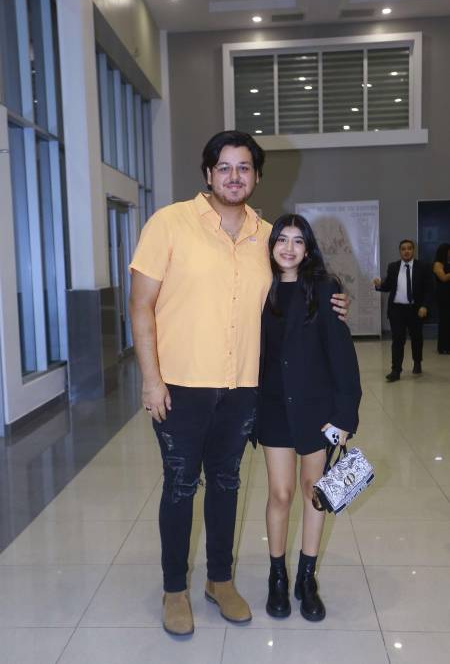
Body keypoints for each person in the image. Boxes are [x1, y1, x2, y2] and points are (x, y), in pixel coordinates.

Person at [128, 130, 349, 636]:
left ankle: (220, 580)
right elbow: (140, 305)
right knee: (180, 485)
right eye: (224, 167)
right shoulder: (169, 223)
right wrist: (150, 379)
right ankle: (174, 588)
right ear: (208, 173)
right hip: (179, 386)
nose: (234, 176)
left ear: (256, 176)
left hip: (243, 390)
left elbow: (302, 286)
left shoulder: (268, 238)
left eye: (244, 167)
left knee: (227, 484)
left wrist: (337, 300)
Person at [255, 214, 361, 621]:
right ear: (271, 246)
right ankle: (277, 576)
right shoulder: (259, 289)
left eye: (298, 241)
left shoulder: (323, 288)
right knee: (280, 493)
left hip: (317, 409)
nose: (288, 248)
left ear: (308, 248)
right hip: (273, 407)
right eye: (281, 239)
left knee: (314, 491)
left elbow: (342, 355)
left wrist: (345, 414)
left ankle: (306, 578)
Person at [373, 239, 433, 382]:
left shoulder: (423, 267)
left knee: (416, 338)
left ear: (413, 250)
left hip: (415, 309)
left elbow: (429, 289)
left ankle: (417, 361)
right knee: (397, 339)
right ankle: (396, 370)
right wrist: (379, 285)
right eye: (403, 249)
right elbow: (388, 286)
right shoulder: (393, 267)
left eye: (409, 248)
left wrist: (424, 306)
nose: (406, 251)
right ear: (400, 251)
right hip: (397, 309)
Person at [432, 243, 450, 354]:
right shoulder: (437, 264)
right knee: (445, 320)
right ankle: (444, 347)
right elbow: (443, 278)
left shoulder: (447, 263)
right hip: (444, 295)